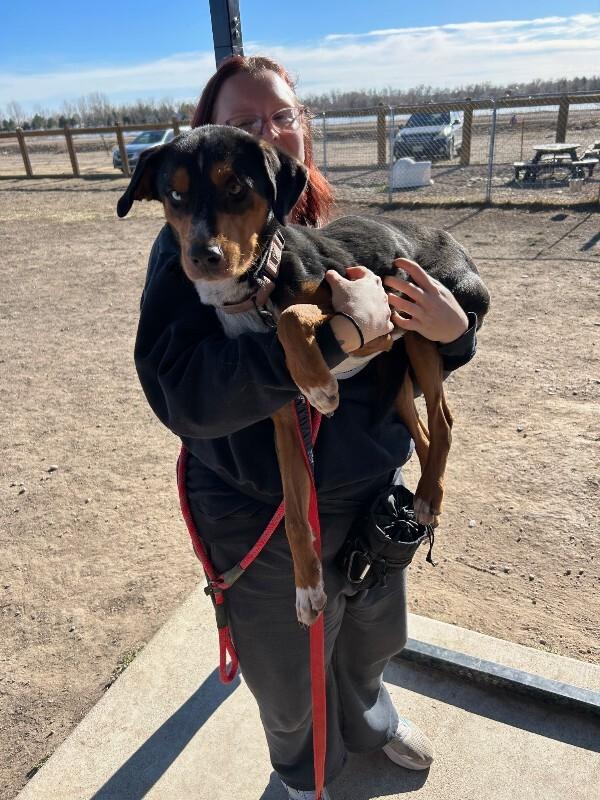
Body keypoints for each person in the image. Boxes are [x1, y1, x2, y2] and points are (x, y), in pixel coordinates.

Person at [134, 55, 479, 800]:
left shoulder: (325, 224)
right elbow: (183, 394)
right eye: (245, 120)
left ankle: (372, 722)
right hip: (256, 509)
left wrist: (457, 329)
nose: (270, 131)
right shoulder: (191, 258)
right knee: (289, 680)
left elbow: (432, 302)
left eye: (283, 115)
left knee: (373, 638)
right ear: (209, 135)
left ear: (301, 133)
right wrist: (323, 347)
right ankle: (300, 773)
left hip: (365, 491)